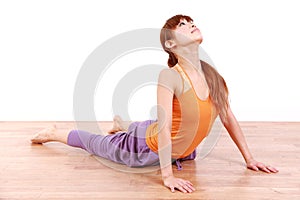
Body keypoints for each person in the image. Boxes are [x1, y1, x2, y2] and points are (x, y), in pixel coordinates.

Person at [31, 14, 278, 194]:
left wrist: (249, 158)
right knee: (98, 144)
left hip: (169, 139)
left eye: (192, 22)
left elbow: (227, 117)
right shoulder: (170, 76)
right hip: (144, 147)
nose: (191, 25)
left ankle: (122, 124)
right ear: (170, 45)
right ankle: (56, 132)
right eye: (182, 25)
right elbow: (163, 129)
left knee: (151, 125)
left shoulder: (213, 75)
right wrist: (167, 176)